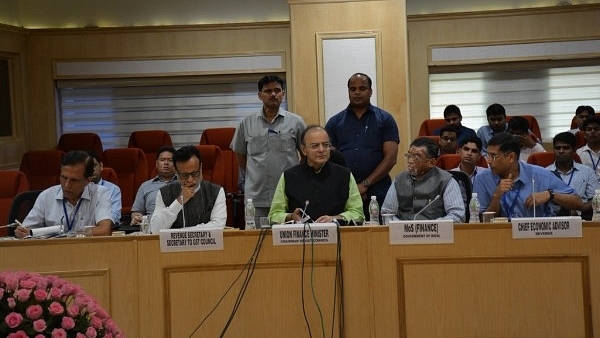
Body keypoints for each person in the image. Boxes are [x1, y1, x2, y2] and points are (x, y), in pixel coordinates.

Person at [325, 73, 399, 218]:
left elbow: (391, 158)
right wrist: (353, 188)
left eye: (362, 88)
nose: (357, 92)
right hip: (344, 190)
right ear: (348, 92)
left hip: (379, 188)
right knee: (348, 234)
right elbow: (329, 159)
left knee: (379, 235)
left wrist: (365, 185)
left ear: (370, 91)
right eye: (353, 89)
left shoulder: (385, 119)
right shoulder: (335, 122)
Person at [231, 75, 306, 219]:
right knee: (255, 238)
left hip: (288, 195)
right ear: (260, 95)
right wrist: (255, 174)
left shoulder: (296, 122)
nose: (273, 94)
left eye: (277, 90)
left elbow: (305, 155)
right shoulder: (246, 123)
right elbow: (240, 154)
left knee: (287, 239)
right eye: (268, 91)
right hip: (255, 198)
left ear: (283, 94)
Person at [269, 126, 364, 224]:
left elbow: (358, 213)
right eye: (315, 146)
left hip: (337, 235)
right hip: (300, 236)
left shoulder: (344, 175)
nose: (321, 150)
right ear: (304, 150)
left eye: (326, 145)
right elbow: (274, 215)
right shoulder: (288, 176)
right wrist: (290, 216)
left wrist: (336, 218)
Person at [473, 133, 582, 219]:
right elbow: (482, 221)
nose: (488, 161)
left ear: (511, 157)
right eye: (488, 155)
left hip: (537, 236)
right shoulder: (482, 178)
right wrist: (496, 197)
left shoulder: (541, 175)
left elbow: (578, 203)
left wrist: (551, 194)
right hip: (502, 237)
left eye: (494, 156)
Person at [14, 150, 113, 238]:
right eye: (64, 177)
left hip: (87, 252)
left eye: (74, 180)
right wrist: (22, 232)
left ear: (88, 180)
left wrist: (70, 235)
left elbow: (104, 231)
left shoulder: (100, 194)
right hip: (51, 254)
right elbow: (26, 230)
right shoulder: (46, 196)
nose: (66, 185)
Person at [381, 137, 464, 222]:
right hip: (404, 232)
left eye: (416, 157)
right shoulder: (399, 179)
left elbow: (457, 214)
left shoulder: (446, 181)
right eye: (409, 155)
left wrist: (430, 227)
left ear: (431, 162)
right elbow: (387, 213)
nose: (410, 161)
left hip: (436, 233)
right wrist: (402, 227)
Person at [150, 145, 226, 232]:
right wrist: (178, 202)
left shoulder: (216, 191)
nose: (190, 179)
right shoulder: (164, 192)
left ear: (200, 168)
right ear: (176, 171)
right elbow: (155, 229)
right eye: (184, 175)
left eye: (195, 173)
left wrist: (180, 232)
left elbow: (218, 226)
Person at [547, 132, 600, 220]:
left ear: (574, 150)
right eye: (557, 148)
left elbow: (596, 198)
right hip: (553, 219)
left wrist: (580, 209)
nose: (561, 151)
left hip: (581, 218)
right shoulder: (545, 173)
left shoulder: (586, 171)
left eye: (566, 148)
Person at [131, 146, 177, 225]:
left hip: (178, 227)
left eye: (170, 160)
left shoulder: (183, 184)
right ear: (156, 164)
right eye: (162, 160)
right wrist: (136, 217)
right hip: (151, 226)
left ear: (176, 164)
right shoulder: (145, 186)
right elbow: (137, 212)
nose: (166, 163)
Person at [87, 151, 122, 225]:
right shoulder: (78, 189)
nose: (91, 170)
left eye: (94, 165)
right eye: (88, 167)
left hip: (104, 230)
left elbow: (115, 217)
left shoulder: (113, 189)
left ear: (101, 166)